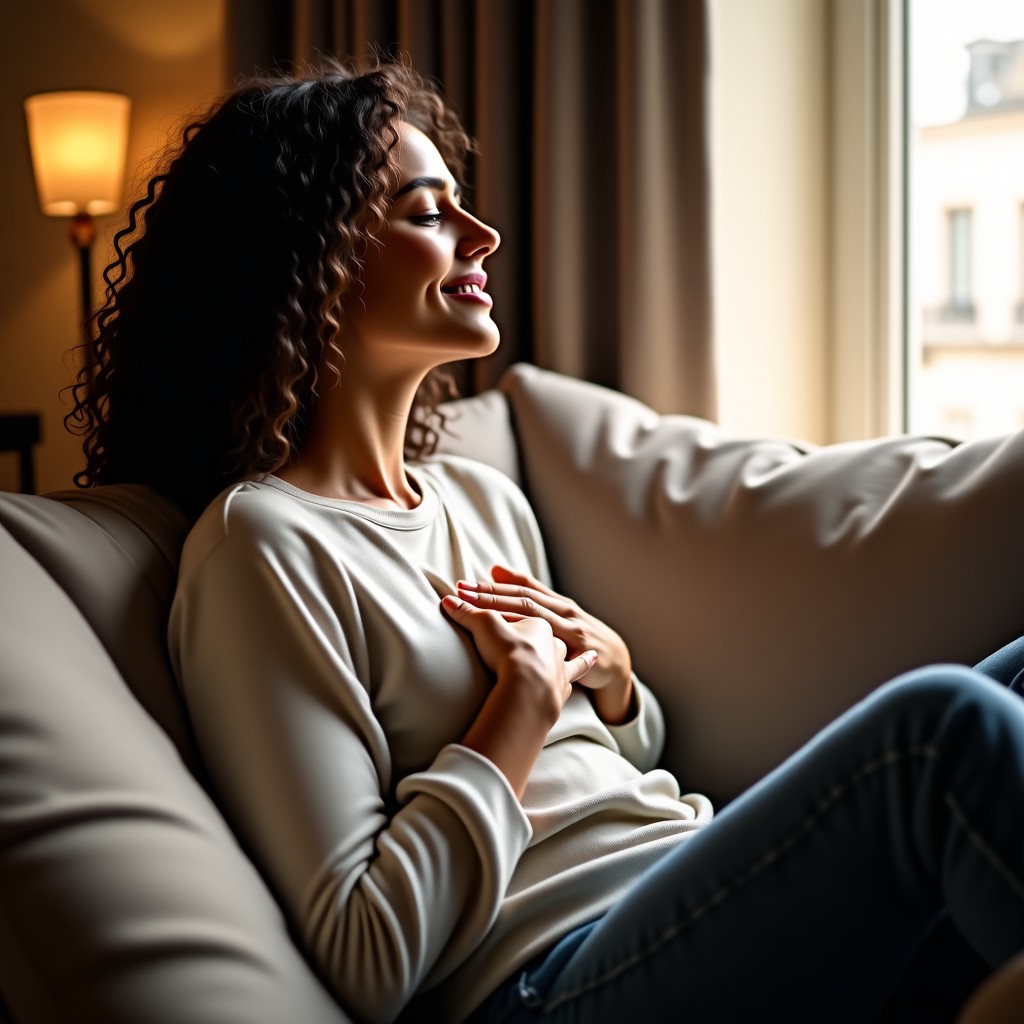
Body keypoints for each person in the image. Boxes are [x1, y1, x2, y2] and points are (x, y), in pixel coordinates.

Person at [65, 55, 1024, 1024]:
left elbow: (604, 760)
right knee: (939, 732)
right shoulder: (263, 546)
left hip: (685, 880)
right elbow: (364, 951)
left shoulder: (482, 499)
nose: (482, 236)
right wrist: (517, 703)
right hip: (550, 981)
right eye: (428, 212)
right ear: (311, 257)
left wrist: (613, 682)